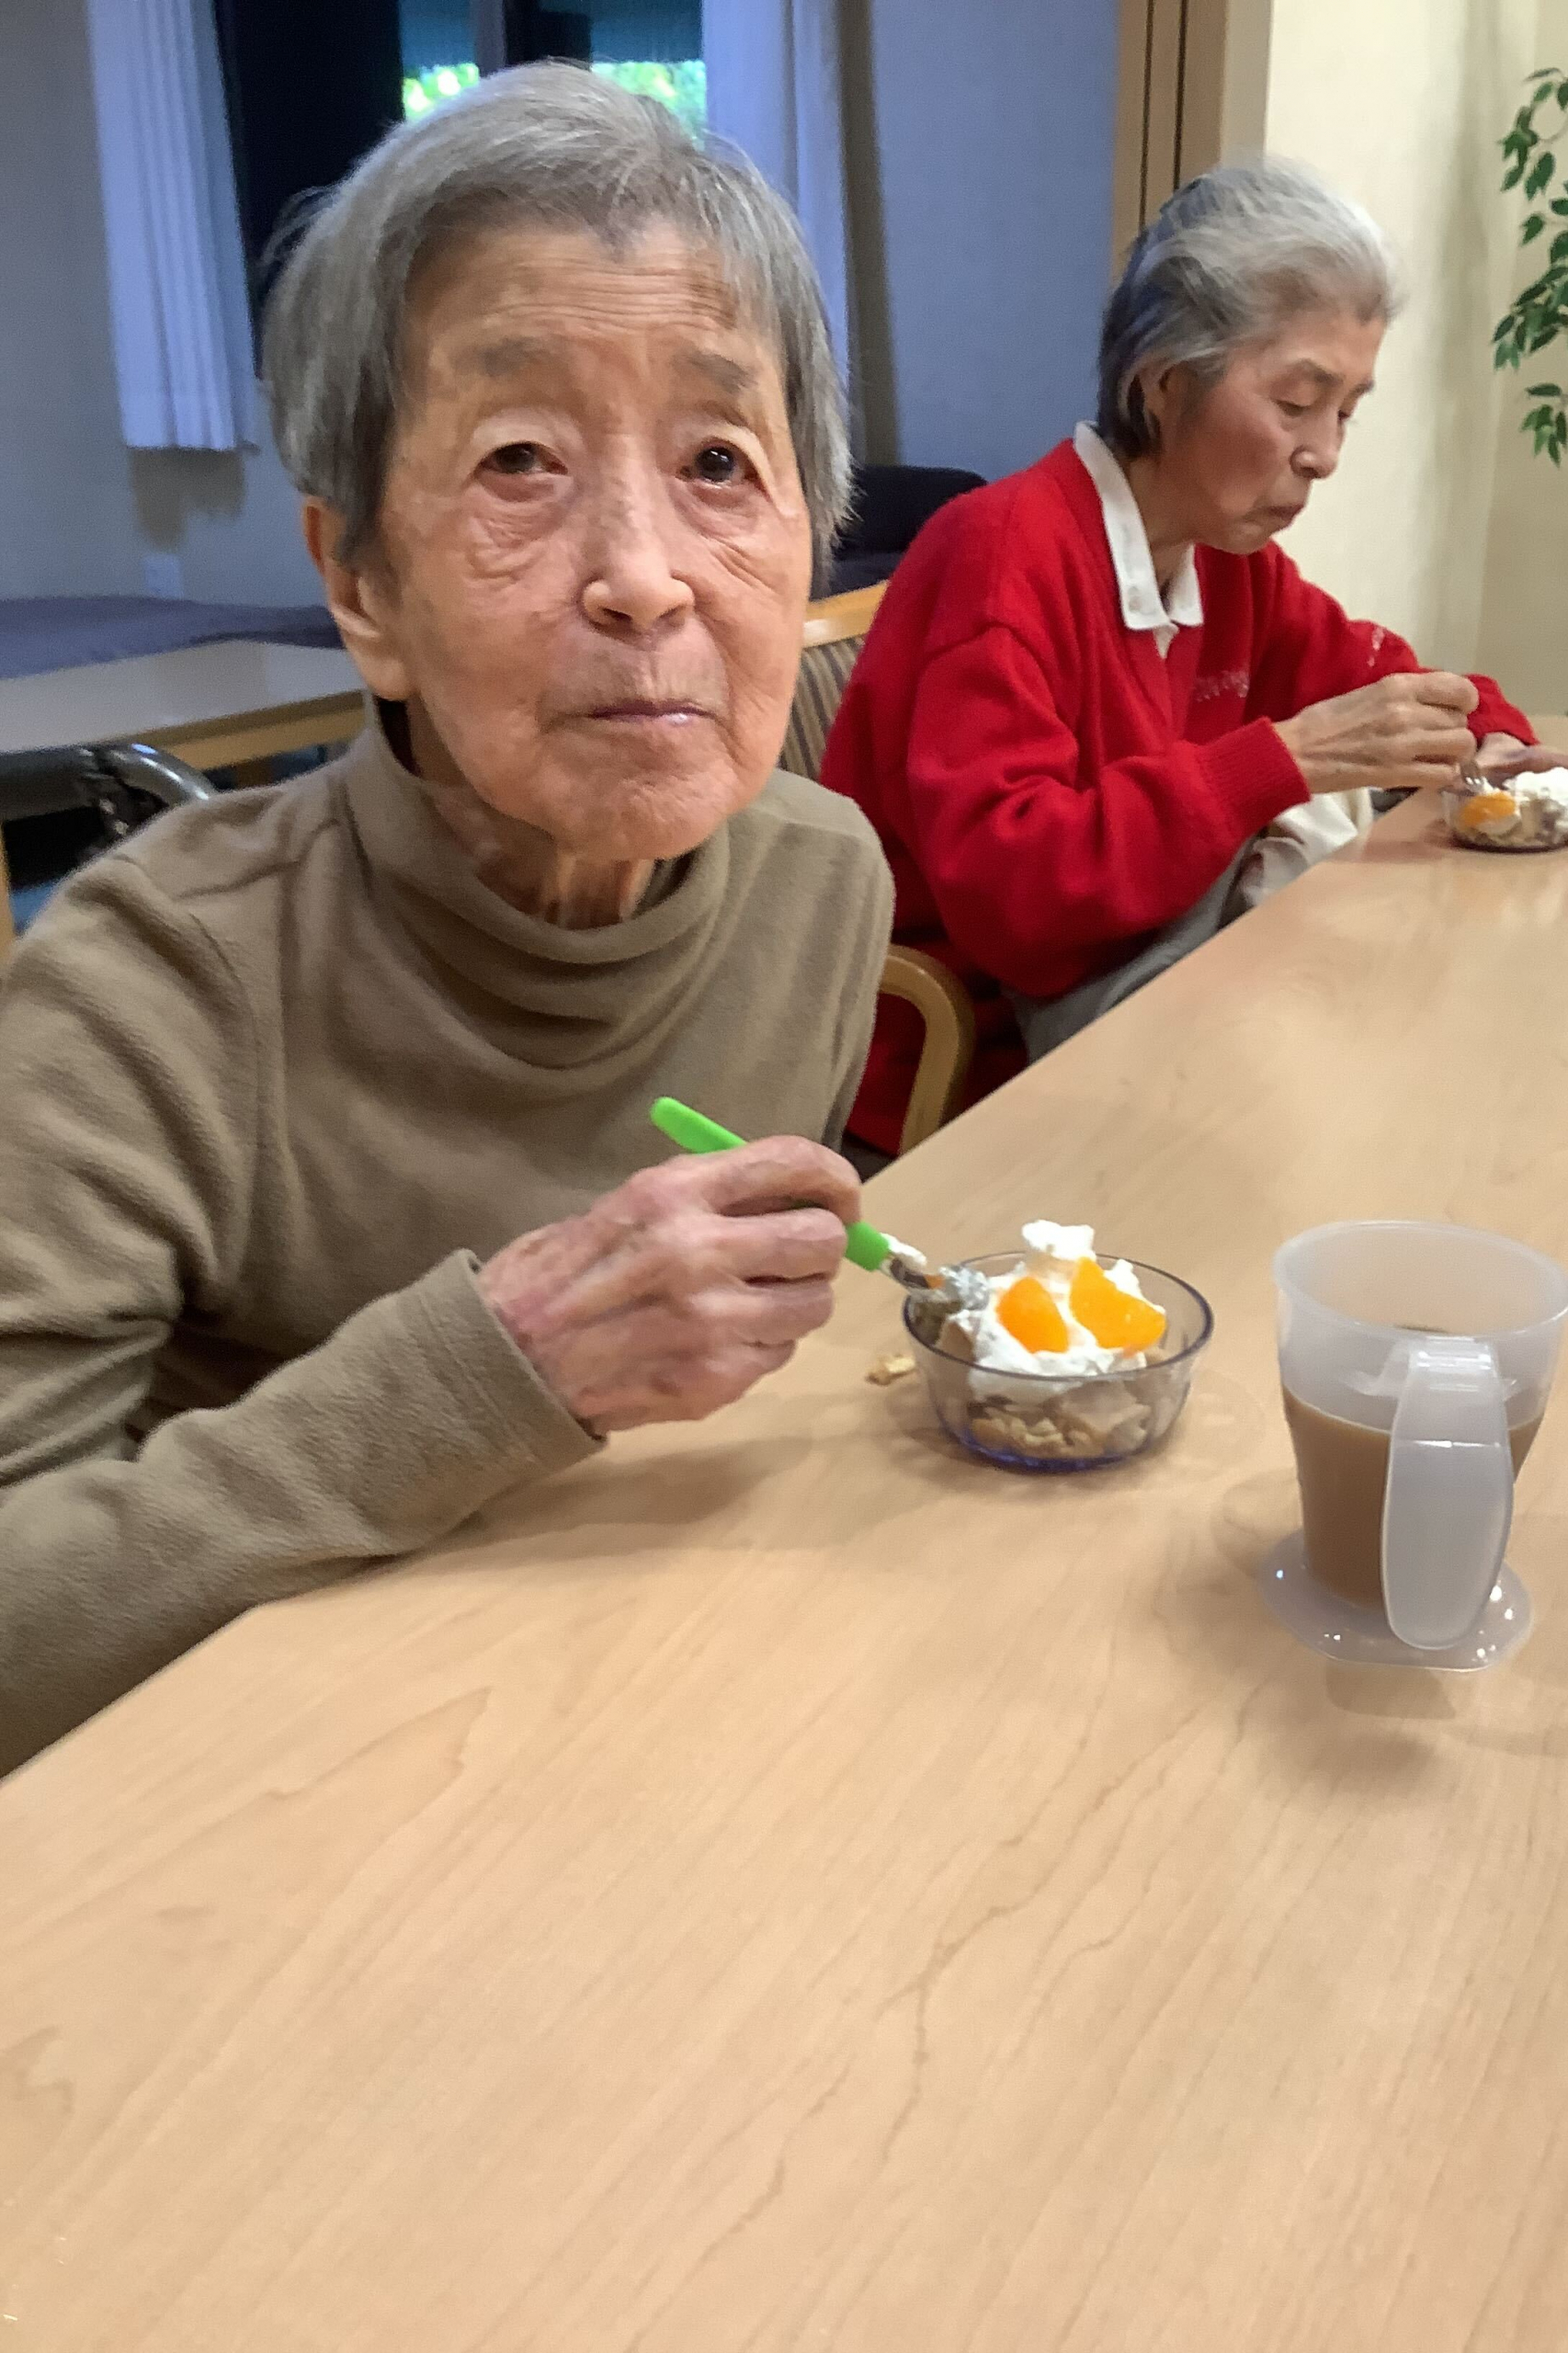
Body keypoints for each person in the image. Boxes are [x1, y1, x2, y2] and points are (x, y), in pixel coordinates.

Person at [0, 66, 892, 1774]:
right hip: (246, 1799)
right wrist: (499, 1366)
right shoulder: (151, 986)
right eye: (519, 463)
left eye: (719, 460)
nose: (645, 576)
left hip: (632, 1720)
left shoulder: (825, 885)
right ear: (361, 588)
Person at [820, 160, 1568, 1155]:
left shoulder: (1226, 562)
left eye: (1347, 410)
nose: (1326, 453)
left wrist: (1497, 750)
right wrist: (1280, 762)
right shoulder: (998, 553)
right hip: (968, 1076)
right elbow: (1016, 902)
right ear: (1164, 385)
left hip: (1153, 1010)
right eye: (1297, 402)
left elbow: (1380, 676)